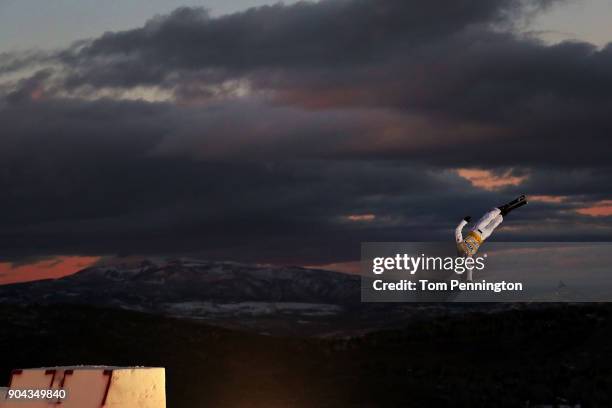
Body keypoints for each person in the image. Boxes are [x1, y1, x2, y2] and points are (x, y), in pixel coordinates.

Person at [456, 195, 528, 260]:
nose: (463, 255)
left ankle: (509, 204)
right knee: (498, 220)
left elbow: (458, 230)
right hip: (484, 236)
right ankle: (518, 204)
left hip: (477, 229)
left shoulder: (460, 245)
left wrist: (464, 221)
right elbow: (469, 265)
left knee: (491, 215)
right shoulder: (469, 255)